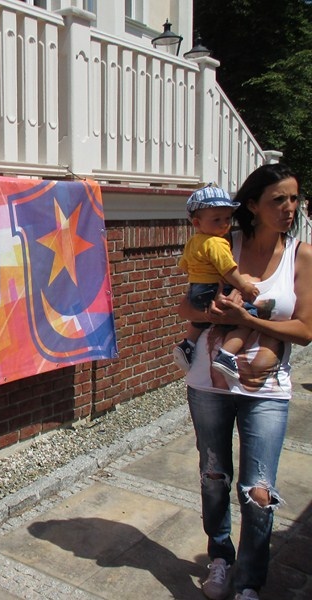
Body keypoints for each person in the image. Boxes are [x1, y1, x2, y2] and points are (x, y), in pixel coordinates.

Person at [178, 163, 312, 600]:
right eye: (279, 199)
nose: (289, 207)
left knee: (258, 491)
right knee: (213, 476)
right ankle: (220, 558)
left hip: (267, 390)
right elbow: (186, 307)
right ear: (252, 205)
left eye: (294, 198)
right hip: (209, 383)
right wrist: (216, 315)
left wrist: (247, 320)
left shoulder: (301, 256)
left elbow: (305, 330)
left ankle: (250, 582)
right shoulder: (222, 242)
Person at [173, 185, 260, 378]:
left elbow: (184, 265)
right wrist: (244, 286)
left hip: (196, 289)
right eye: (217, 219)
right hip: (213, 287)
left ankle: (187, 344)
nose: (224, 224)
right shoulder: (217, 242)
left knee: (201, 319)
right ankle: (227, 355)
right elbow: (228, 269)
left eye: (228, 218)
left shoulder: (193, 241)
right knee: (248, 317)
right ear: (197, 222)